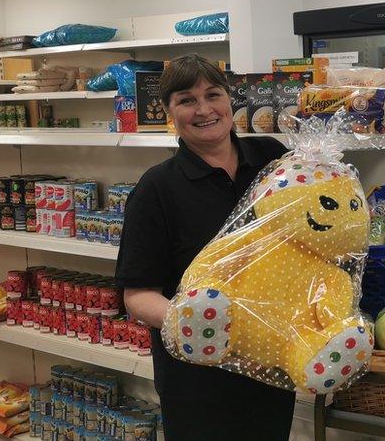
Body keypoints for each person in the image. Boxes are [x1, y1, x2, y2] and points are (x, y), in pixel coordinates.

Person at [115, 54, 296, 440]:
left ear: (229, 99)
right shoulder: (156, 189)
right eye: (186, 100)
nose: (204, 110)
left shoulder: (272, 158)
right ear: (167, 111)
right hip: (197, 376)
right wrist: (201, 322)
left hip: (270, 359)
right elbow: (138, 295)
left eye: (212, 95)